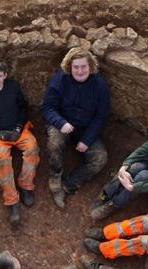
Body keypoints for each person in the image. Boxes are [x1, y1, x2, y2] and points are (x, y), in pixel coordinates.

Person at [41, 47, 110, 208]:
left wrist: (87, 140)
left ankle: (68, 184)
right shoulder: (60, 80)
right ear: (69, 67)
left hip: (85, 127)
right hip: (63, 122)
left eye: (83, 67)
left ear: (90, 66)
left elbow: (102, 115)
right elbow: (48, 107)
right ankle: (55, 177)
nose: (80, 71)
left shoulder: (99, 85)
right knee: (54, 144)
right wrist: (60, 123)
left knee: (100, 158)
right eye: (76, 67)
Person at [0, 59, 40, 224]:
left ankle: (26, 186)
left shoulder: (13, 87)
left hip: (18, 130)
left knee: (32, 147)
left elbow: (23, 107)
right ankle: (12, 200)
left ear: (5, 75)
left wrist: (18, 128)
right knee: (3, 159)